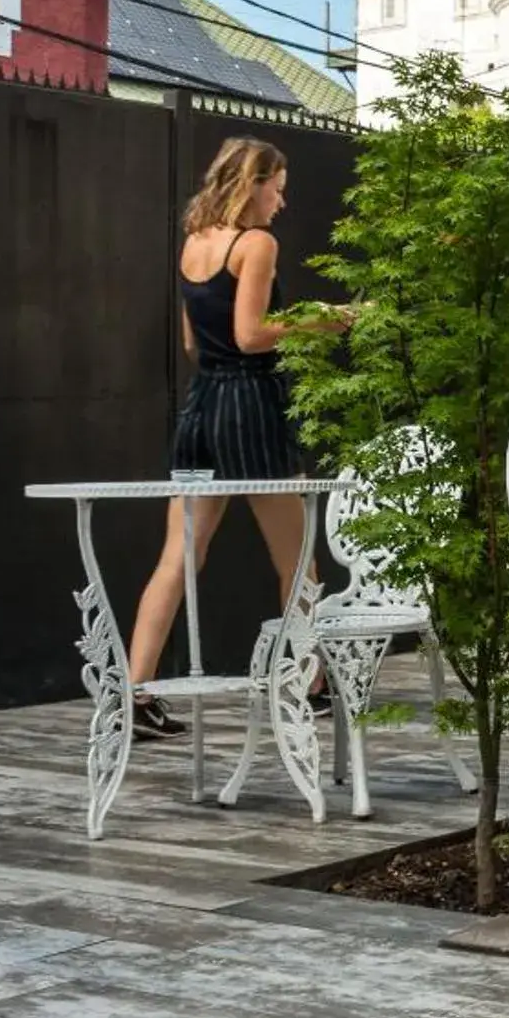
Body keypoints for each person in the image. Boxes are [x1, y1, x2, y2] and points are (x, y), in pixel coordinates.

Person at [126, 137, 327, 733]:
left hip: (201, 408)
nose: (282, 203)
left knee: (178, 557)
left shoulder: (194, 244)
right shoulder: (256, 244)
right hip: (251, 408)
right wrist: (319, 321)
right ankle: (309, 684)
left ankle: (133, 696)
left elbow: (194, 343)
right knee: (298, 558)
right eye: (278, 189)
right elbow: (250, 334)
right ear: (254, 183)